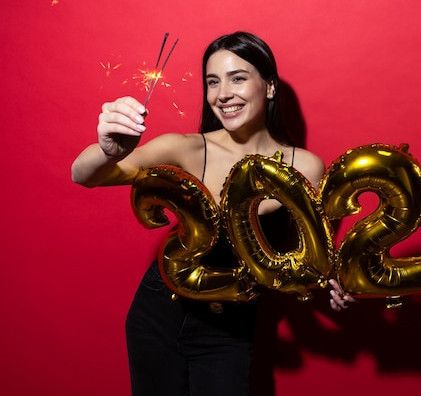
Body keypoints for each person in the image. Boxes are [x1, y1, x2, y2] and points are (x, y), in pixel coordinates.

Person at [71, 31, 355, 396]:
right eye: (212, 82)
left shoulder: (306, 167)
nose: (223, 93)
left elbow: (312, 256)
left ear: (268, 87)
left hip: (230, 326)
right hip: (158, 314)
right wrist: (108, 149)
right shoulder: (186, 148)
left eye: (238, 78)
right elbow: (83, 175)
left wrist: (337, 286)